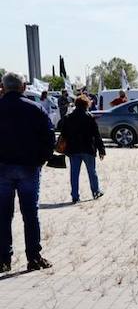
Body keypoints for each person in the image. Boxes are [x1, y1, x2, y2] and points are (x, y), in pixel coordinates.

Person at [0, 72, 56, 272]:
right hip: (29, 167)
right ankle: (33, 257)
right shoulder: (36, 109)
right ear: (23, 87)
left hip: (2, 169)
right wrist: (42, 159)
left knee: (3, 215)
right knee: (30, 214)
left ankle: (3, 259)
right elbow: (50, 138)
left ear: (2, 87)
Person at [56, 95, 104, 202]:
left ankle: (75, 196)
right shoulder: (90, 117)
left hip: (73, 149)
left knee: (74, 173)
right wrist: (101, 150)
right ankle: (96, 192)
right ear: (86, 104)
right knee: (92, 172)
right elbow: (96, 135)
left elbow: (63, 133)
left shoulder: (68, 117)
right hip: (88, 149)